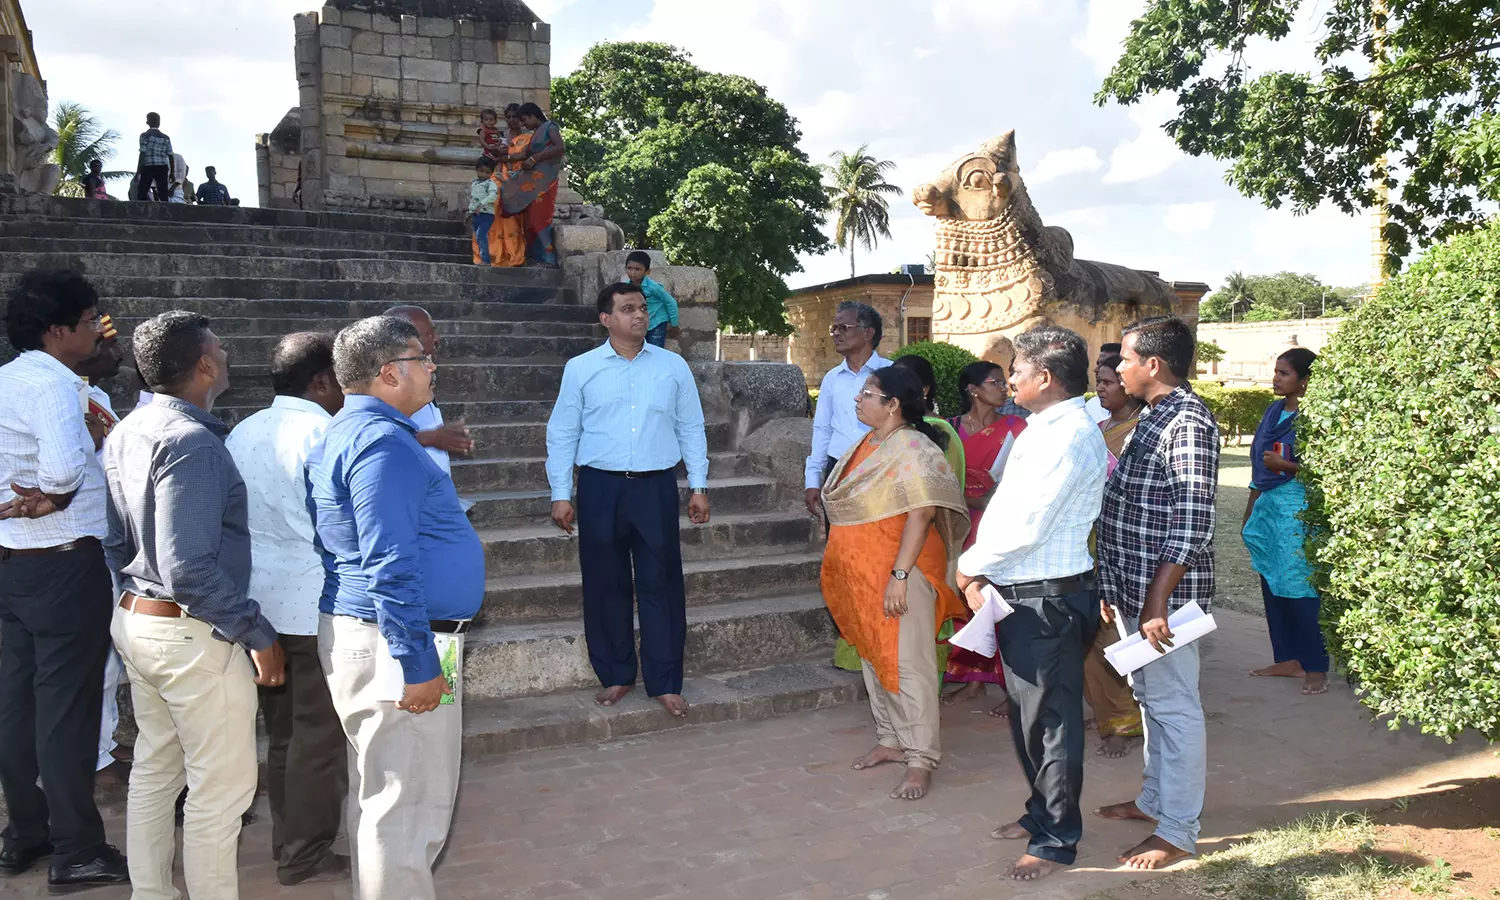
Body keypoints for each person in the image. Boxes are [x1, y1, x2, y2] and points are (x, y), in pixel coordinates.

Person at [104, 310, 286, 899]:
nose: (228, 354)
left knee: (159, 769)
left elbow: (116, 540)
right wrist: (256, 633)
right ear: (205, 364)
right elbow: (189, 567)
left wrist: (140, 594)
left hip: (140, 618)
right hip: (191, 633)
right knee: (220, 791)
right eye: (221, 347)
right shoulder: (191, 442)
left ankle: (150, 893)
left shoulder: (129, 429)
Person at [308, 315, 485, 900]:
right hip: (398, 640)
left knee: (386, 799)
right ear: (388, 373)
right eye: (420, 358)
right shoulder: (383, 443)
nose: (432, 365)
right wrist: (418, 663)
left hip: (385, 632)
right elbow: (388, 562)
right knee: (407, 811)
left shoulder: (354, 431)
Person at [955, 327, 1108, 882]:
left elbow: (1028, 522)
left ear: (1045, 378)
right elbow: (1009, 504)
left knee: (1050, 725)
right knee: (1031, 718)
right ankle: (1042, 813)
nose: (1010, 377)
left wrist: (971, 564)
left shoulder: (1064, 435)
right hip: (1027, 594)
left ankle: (1055, 841)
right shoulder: (1044, 428)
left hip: (1047, 599)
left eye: (1016, 369)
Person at [0, 269, 128, 891]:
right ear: (57, 332)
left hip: (13, 562)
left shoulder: (8, 379)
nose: (94, 332)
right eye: (87, 322)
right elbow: (60, 469)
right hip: (60, 563)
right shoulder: (51, 385)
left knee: (18, 705)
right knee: (66, 714)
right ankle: (76, 848)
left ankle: (26, 832)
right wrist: (50, 495)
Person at [545, 283, 711, 718]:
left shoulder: (673, 367)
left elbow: (691, 426)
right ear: (606, 319)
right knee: (605, 583)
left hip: (655, 487)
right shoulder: (580, 369)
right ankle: (617, 674)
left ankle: (665, 680)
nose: (639, 315)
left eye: (642, 308)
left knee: (662, 584)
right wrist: (561, 493)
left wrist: (698, 485)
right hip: (600, 487)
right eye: (628, 309)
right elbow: (563, 433)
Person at [223, 332, 351, 886]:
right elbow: (336, 525)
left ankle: (289, 841)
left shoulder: (242, 430)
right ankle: (305, 852)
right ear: (321, 382)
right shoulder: (324, 433)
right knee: (316, 739)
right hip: (311, 600)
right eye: (343, 382)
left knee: (284, 734)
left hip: (259, 606)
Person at [1095, 316, 1219, 871]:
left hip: (1163, 603)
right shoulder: (1154, 416)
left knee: (1175, 709)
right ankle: (1154, 801)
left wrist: (1154, 603)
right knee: (1152, 703)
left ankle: (1178, 831)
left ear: (1153, 365)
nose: (1117, 368)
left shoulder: (1187, 423)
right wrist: (1112, 585)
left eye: (1124, 359)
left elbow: (1192, 522)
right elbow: (1123, 506)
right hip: (1132, 591)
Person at [822, 365, 968, 802]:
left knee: (909, 665)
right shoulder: (867, 443)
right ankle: (890, 739)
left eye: (868, 393)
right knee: (872, 653)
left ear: (893, 405)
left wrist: (900, 577)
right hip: (861, 573)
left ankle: (921, 758)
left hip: (902, 573)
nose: (858, 399)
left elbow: (922, 514)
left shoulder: (914, 449)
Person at [941, 361, 1027, 709]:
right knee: (966, 600)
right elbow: (942, 480)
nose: (1003, 388)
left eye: (1004, 382)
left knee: (1001, 601)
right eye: (994, 382)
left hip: (1001, 521)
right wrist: (972, 498)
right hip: (961, 522)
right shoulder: (950, 429)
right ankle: (974, 678)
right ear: (973, 389)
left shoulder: (1018, 427)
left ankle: (1013, 687)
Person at [71, 319, 135, 786]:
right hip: (77, 540)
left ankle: (102, 743)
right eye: (106, 346)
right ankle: (92, 757)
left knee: (110, 656)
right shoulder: (63, 397)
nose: (116, 356)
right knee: (97, 657)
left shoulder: (99, 398)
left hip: (104, 535)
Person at [1243, 348, 1328, 695]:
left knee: (1299, 586)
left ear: (1304, 381)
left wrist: (1288, 468)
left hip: (1297, 509)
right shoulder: (1273, 410)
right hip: (1267, 506)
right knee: (1271, 580)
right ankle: (1288, 658)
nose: (1276, 378)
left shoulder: (1316, 418)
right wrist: (1251, 508)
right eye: (1276, 372)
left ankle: (1316, 666)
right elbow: (1258, 465)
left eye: (1284, 373)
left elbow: (1327, 468)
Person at [1086, 352, 1145, 758]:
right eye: (1098, 381)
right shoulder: (1101, 426)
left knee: (1113, 633)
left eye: (1107, 381)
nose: (1100, 388)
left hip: (1122, 545)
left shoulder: (1141, 431)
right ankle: (1106, 711)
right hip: (1089, 540)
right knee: (1090, 633)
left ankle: (1125, 723)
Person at [804, 301, 891, 517]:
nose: (836, 334)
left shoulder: (891, 373)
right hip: (838, 470)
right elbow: (822, 429)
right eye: (834, 328)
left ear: (868, 332)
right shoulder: (832, 378)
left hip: (882, 468)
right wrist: (813, 480)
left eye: (844, 328)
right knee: (838, 540)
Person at [383, 306, 474, 476]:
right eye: (429, 334)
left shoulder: (422, 381)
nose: (437, 339)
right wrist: (429, 438)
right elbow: (376, 443)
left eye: (435, 331)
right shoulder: (386, 390)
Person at [499, 102, 565, 267]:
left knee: (539, 219)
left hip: (546, 181)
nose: (523, 124)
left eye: (524, 120)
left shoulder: (550, 127)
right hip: (532, 181)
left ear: (533, 116)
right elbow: (523, 154)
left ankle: (548, 258)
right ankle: (535, 256)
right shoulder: (535, 134)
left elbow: (560, 147)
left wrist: (535, 159)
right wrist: (503, 158)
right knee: (528, 219)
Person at [625, 250, 680, 348]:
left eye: (637, 269)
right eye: (629, 268)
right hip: (641, 323)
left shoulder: (653, 287)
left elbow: (670, 302)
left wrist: (674, 324)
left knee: (655, 350)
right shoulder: (627, 287)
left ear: (647, 272)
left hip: (657, 323)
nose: (633, 273)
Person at [467, 156, 505, 267]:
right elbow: (473, 199)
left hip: (487, 214)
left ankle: (486, 260)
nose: (484, 174)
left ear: (491, 173)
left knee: (480, 235)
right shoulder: (475, 183)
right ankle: (482, 258)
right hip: (476, 214)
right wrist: (469, 213)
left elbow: (493, 196)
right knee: (478, 237)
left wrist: (482, 204)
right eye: (481, 171)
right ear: (476, 170)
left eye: (487, 172)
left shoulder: (490, 183)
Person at [136, 112, 174, 202]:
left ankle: (140, 211)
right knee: (163, 191)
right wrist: (172, 171)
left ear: (147, 122)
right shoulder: (166, 137)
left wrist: (138, 170)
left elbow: (143, 153)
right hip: (162, 166)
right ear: (159, 122)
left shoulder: (145, 135)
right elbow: (170, 155)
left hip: (148, 165)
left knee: (142, 190)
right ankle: (166, 211)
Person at [1084, 342, 1122, 424]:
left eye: (1106, 364)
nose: (1096, 369)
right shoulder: (1091, 405)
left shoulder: (1142, 419)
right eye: (1098, 364)